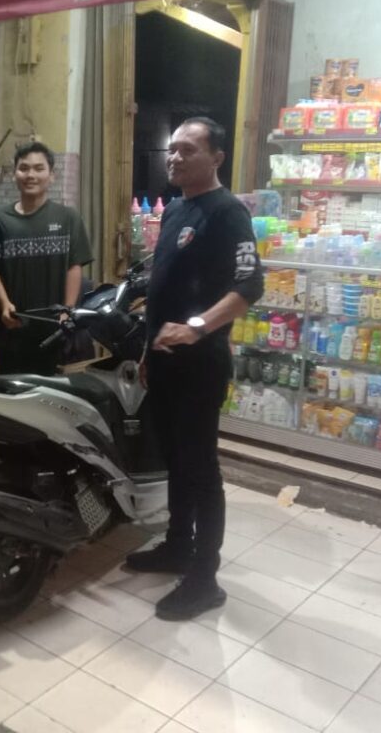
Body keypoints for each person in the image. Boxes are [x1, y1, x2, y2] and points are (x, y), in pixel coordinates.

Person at [125, 116, 263, 620]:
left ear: (217, 158)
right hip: (164, 364)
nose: (175, 157)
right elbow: (164, 290)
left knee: (201, 469)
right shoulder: (178, 209)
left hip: (200, 365)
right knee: (175, 463)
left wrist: (197, 327)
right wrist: (148, 350)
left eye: (188, 150)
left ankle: (205, 579)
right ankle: (178, 545)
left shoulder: (227, 212)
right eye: (173, 149)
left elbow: (249, 286)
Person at [0, 142, 93, 375]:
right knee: (15, 391)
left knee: (55, 392)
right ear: (14, 174)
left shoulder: (68, 218)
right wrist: (4, 304)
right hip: (13, 327)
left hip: (55, 329)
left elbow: (74, 266)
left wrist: (68, 310)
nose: (30, 175)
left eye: (39, 168)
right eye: (24, 168)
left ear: (51, 175)